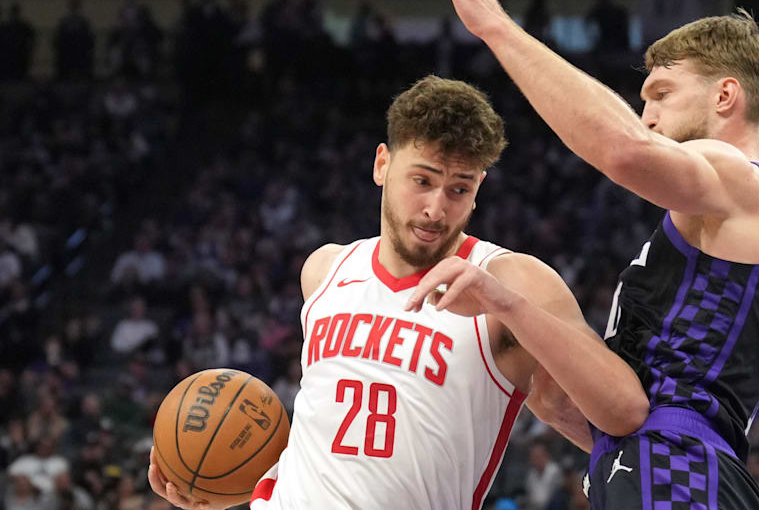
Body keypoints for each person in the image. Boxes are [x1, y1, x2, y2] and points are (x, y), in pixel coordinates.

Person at [405, 0, 759, 509]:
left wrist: (492, 23)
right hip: (644, 462)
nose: (646, 117)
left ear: (725, 97)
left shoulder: (744, 183)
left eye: (661, 94)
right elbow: (606, 405)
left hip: (680, 470)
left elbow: (622, 151)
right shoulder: (704, 225)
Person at [147, 76, 648, 509]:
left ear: (480, 187)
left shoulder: (513, 280)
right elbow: (329, 443)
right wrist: (214, 482)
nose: (436, 208)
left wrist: (505, 304)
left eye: (459, 189)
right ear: (382, 164)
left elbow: (619, 411)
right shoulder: (324, 270)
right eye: (422, 180)